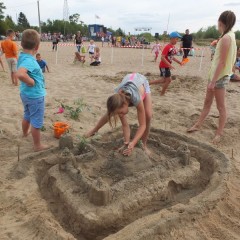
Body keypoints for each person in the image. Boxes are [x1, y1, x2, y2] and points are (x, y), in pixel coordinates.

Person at [187, 11, 237, 144]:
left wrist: (213, 81)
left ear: (221, 22)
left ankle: (219, 133)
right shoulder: (228, 36)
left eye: (218, 22)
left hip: (219, 77)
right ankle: (198, 125)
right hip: (216, 75)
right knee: (207, 103)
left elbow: (222, 62)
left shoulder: (227, 38)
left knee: (221, 107)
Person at [85, 73, 152, 156]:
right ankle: (94, 130)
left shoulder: (137, 99)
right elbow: (125, 125)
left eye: (120, 113)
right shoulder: (118, 99)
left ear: (124, 104)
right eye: (119, 113)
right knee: (111, 111)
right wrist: (127, 143)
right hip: (128, 81)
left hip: (141, 82)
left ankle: (144, 144)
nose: (121, 115)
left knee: (148, 115)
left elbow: (142, 125)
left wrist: (133, 143)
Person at [17, 29, 48, 152]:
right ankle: (37, 145)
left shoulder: (22, 56)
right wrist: (31, 81)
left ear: (22, 44)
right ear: (37, 46)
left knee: (27, 115)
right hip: (35, 96)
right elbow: (20, 74)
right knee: (36, 121)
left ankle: (25, 133)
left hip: (25, 94)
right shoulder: (29, 60)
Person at [149, 32, 183, 96]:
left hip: (166, 66)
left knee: (164, 80)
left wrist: (179, 62)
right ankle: (162, 94)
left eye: (177, 39)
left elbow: (172, 57)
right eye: (176, 39)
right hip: (163, 66)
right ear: (172, 38)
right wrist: (169, 65)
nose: (177, 40)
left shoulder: (172, 47)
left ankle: (148, 84)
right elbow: (162, 57)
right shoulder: (167, 47)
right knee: (168, 80)